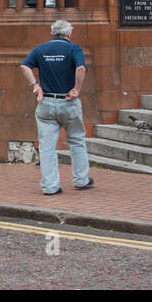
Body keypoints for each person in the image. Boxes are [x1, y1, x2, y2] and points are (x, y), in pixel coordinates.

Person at [21, 19, 92, 195]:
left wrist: (35, 86)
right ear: (69, 34)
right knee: (76, 140)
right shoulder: (73, 49)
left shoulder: (40, 49)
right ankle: (81, 180)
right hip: (68, 102)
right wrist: (76, 89)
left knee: (47, 146)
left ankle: (50, 186)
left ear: (52, 33)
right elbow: (81, 68)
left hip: (45, 103)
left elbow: (24, 65)